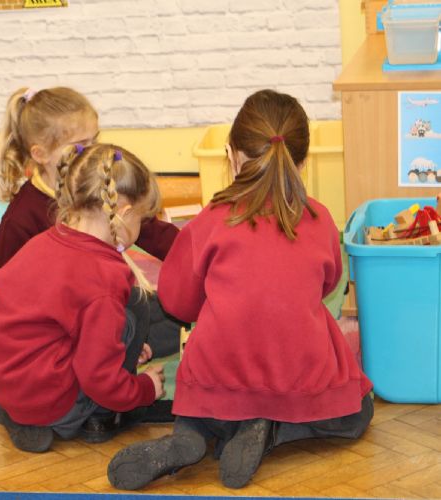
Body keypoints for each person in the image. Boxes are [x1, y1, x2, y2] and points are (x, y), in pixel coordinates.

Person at [108, 89, 374, 490]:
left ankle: (191, 438)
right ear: (302, 163)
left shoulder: (211, 220)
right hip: (298, 374)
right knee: (358, 411)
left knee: (203, 399)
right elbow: (329, 283)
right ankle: (274, 430)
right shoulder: (319, 218)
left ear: (232, 156)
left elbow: (178, 302)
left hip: (217, 379)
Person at [0, 144, 167, 453]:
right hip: (55, 401)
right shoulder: (104, 278)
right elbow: (98, 377)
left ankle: (22, 416)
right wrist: (144, 389)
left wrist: (114, 345)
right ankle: (97, 418)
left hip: (5, 386)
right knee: (134, 309)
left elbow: (50, 325)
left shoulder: (39, 244)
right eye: (142, 219)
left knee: (117, 320)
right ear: (124, 214)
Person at [0, 86, 183, 358]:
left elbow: (149, 229)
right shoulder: (21, 219)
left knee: (171, 306)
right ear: (40, 154)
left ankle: (137, 343)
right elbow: (2, 300)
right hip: (64, 327)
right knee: (150, 321)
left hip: (102, 300)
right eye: (81, 146)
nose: (92, 152)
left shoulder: (100, 182)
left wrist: (199, 255)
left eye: (95, 140)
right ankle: (128, 350)